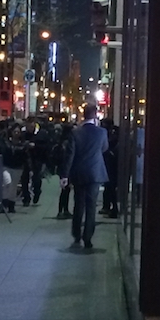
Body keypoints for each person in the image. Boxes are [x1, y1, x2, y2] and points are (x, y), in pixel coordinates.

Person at [60, 103, 109, 250]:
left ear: (84, 115)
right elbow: (105, 148)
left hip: (79, 173)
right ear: (95, 115)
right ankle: (88, 237)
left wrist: (65, 175)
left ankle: (76, 234)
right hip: (95, 172)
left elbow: (70, 156)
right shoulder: (102, 132)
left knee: (78, 205)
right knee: (91, 206)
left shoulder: (75, 132)